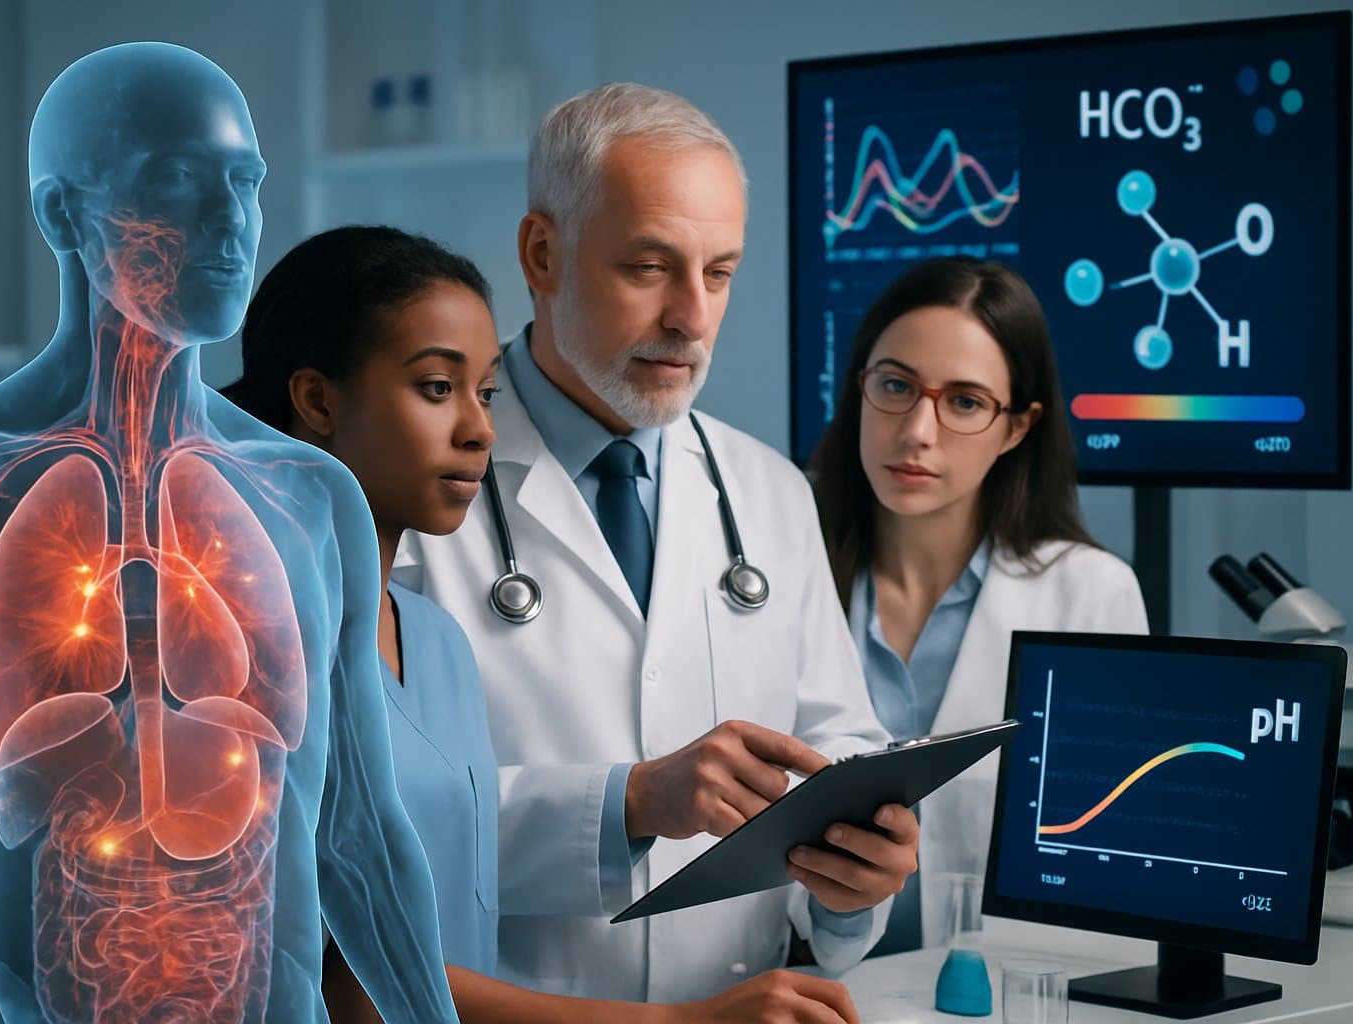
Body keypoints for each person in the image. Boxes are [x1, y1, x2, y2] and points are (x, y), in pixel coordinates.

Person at [0, 45, 456, 1023]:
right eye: (175, 181)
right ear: (63, 214)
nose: (230, 223)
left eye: (244, 183)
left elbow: (361, 836)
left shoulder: (311, 495)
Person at [227, 224, 864, 1024]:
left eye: (486, 392)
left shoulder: (437, 644)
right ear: (318, 399)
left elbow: (458, 892)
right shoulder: (238, 654)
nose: (479, 430)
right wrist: (687, 1022)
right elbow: (346, 977)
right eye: (435, 387)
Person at [393, 83, 918, 1003]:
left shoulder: (769, 492)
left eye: (719, 273)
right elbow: (384, 822)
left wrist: (856, 872)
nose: (693, 316)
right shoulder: (405, 488)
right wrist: (629, 800)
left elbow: (838, 744)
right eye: (650, 267)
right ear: (542, 253)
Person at [810, 257, 1149, 954]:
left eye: (964, 402)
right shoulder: (783, 574)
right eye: (896, 386)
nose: (917, 432)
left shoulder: (1089, 595)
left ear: (1018, 427)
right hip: (812, 984)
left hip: (1007, 990)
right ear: (858, 387)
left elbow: (1111, 851)